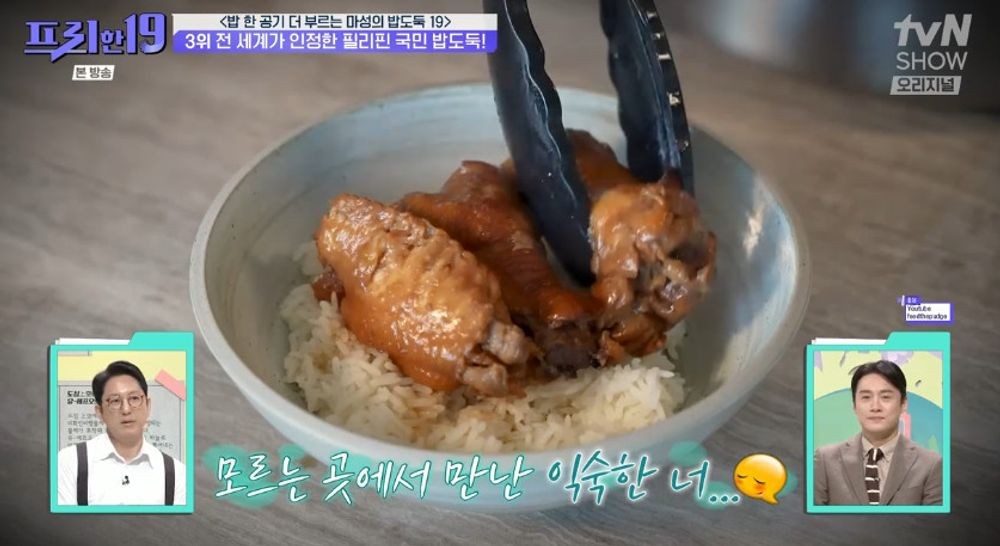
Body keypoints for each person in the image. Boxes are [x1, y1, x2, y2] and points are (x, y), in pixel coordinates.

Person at [814, 360, 942, 506]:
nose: (875, 407)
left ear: (903, 404)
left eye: (885, 397)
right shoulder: (825, 460)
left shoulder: (931, 464)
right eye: (866, 397)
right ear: (854, 405)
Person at [57, 361, 185, 505]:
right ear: (99, 412)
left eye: (134, 399)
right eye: (115, 401)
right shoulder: (69, 462)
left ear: (148, 405)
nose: (126, 409)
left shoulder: (177, 473)